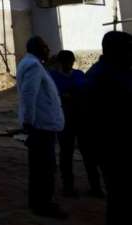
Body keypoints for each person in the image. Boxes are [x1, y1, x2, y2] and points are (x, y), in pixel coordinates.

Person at [16, 36, 67, 220]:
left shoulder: (31, 63)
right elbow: (29, 94)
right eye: (45, 47)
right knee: (45, 168)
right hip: (41, 125)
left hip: (39, 124)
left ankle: (37, 202)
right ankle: (44, 204)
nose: (48, 49)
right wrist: (29, 122)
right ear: (37, 49)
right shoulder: (33, 66)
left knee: (39, 167)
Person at [86, 31, 132, 225]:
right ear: (116, 51)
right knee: (120, 198)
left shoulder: (119, 71)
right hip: (115, 149)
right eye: (129, 49)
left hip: (117, 146)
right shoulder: (101, 77)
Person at [49, 50, 103, 197]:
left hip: (81, 120)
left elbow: (84, 93)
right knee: (67, 155)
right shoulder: (55, 77)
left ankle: (95, 187)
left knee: (87, 154)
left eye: (70, 62)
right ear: (60, 63)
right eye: (67, 63)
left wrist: (69, 95)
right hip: (66, 121)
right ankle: (69, 187)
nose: (69, 65)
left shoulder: (77, 74)